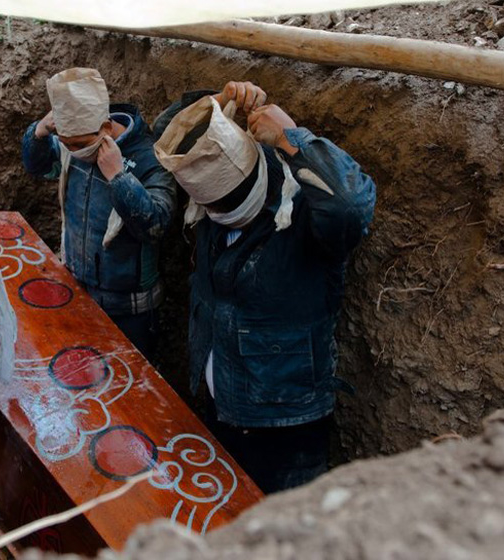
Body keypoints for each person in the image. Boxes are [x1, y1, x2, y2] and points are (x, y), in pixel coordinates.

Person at [154, 81, 376, 494]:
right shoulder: (211, 197)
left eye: (232, 210)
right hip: (220, 407)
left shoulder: (302, 217)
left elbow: (350, 207)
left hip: (285, 428)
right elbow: (168, 143)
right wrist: (217, 104)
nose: (223, 216)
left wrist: (294, 138)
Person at [22, 68, 175, 362]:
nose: (74, 152)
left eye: (80, 145)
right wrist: (39, 133)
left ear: (106, 126)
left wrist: (118, 176)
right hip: (77, 289)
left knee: (129, 391)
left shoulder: (149, 158)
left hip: (129, 310)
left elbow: (156, 225)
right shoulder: (73, 144)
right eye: (67, 144)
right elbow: (38, 166)